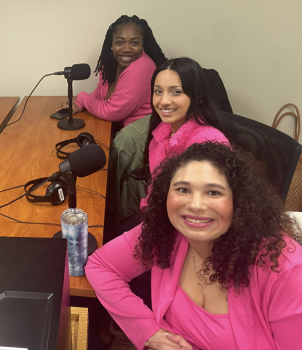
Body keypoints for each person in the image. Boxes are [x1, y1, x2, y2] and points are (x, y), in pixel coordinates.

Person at [86, 142, 302, 350]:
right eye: (182, 190)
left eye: (214, 192)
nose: (195, 205)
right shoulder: (167, 232)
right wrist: (149, 332)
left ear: (240, 202)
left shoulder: (287, 273)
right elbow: (102, 267)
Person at [107, 57, 229, 230]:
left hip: (187, 230)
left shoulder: (207, 146)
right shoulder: (162, 132)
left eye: (176, 92)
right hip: (158, 216)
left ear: (198, 96)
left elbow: (204, 215)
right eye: (158, 91)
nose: (163, 101)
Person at [56, 15, 166, 125]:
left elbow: (112, 112)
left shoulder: (142, 68)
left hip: (137, 131)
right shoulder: (111, 63)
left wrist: (83, 98)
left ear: (142, 44)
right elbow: (100, 92)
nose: (127, 49)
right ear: (111, 44)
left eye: (134, 43)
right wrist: (80, 104)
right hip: (116, 125)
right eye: (120, 42)